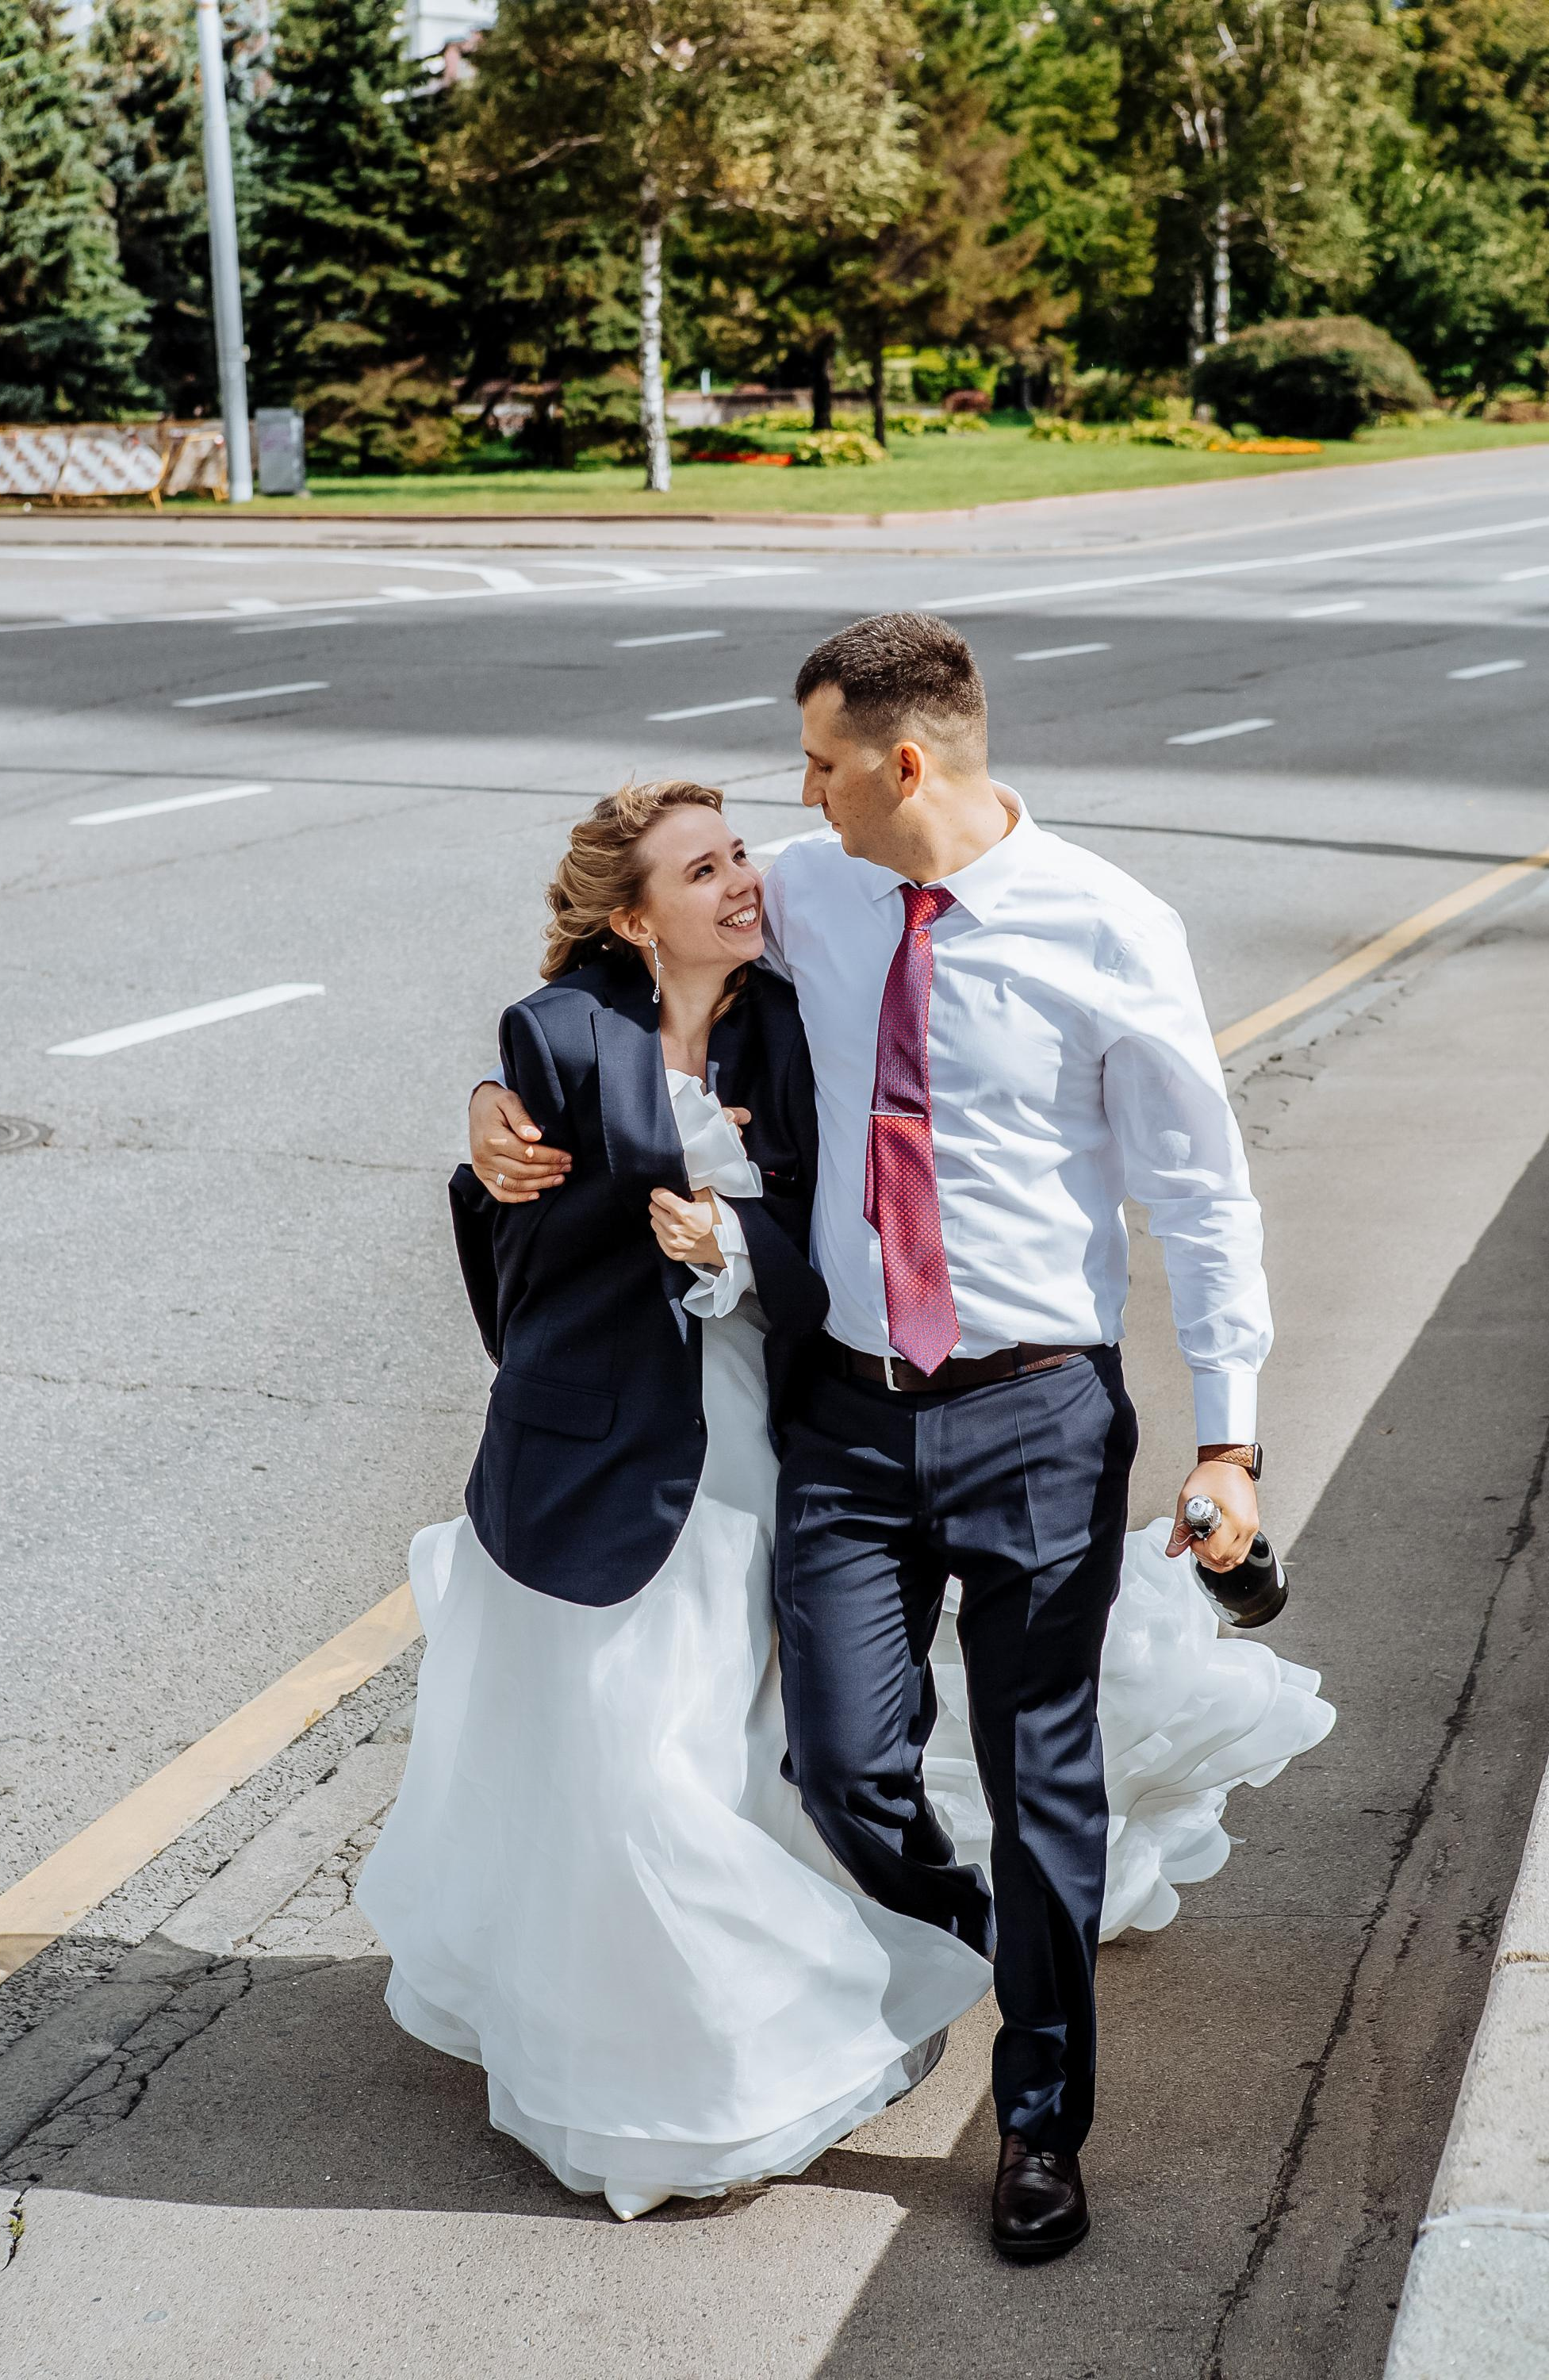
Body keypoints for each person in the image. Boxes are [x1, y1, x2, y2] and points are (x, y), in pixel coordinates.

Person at [466, 612, 1333, 2263]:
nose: (796, 798)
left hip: (1038, 1415)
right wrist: (493, 1106)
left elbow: (1203, 1200)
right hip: (847, 1419)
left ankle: (1040, 2120)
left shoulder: (1109, 927)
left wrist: (1230, 1445)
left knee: (1040, 1770)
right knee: (846, 1770)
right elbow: (626, 967)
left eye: (819, 763)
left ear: (903, 762)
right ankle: (998, 1948)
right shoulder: (811, 890)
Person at [358, 780, 995, 2224]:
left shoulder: (795, 1028)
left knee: (726, 1744)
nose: (739, 881)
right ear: (637, 921)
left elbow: (851, 1240)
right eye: (700, 871)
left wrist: (736, 1242)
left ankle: (737, 2038)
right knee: (622, 1762)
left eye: (738, 854)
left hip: (755, 1449)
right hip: (584, 1462)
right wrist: (486, 1143)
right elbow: (508, 1240)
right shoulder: (559, 1037)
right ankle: (653, 2058)